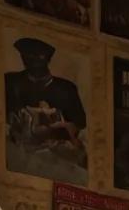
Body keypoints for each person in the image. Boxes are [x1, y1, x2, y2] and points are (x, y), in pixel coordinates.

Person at [5, 36, 86, 173]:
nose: (32, 62)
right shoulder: (11, 81)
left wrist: (60, 125)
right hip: (20, 148)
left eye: (38, 58)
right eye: (28, 57)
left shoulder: (66, 88)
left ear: (47, 60)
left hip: (56, 153)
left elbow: (80, 122)